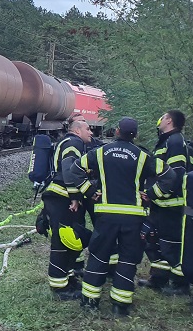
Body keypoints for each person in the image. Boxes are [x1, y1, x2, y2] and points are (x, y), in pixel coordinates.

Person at [66, 117, 177, 316]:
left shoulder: (100, 152)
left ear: (117, 131)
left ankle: (90, 301)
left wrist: (89, 191)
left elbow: (74, 170)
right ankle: (120, 305)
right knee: (127, 259)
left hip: (106, 216)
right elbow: (170, 176)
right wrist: (151, 194)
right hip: (133, 218)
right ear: (136, 135)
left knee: (98, 255)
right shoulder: (143, 156)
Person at [42, 114, 93, 300]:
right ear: (77, 130)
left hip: (61, 197)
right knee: (61, 242)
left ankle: (68, 278)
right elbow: (69, 169)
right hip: (62, 197)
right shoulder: (74, 143)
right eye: (88, 129)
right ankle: (59, 288)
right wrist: (74, 196)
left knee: (69, 239)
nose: (91, 132)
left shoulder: (69, 142)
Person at [141, 109, 192, 295]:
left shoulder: (175, 141)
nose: (160, 120)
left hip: (171, 204)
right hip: (160, 204)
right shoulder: (166, 141)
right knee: (152, 240)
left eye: (162, 117)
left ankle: (180, 284)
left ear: (169, 120)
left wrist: (153, 193)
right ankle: (159, 278)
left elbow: (176, 174)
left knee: (171, 245)